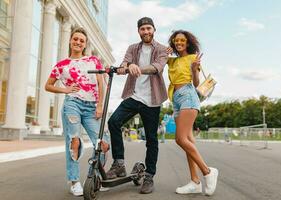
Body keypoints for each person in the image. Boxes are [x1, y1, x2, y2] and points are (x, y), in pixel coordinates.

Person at [106, 17, 168, 194]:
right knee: (113, 122)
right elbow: (125, 63)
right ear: (138, 31)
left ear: (154, 29)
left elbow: (157, 67)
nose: (146, 32)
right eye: (142, 29)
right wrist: (125, 66)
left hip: (152, 100)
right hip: (134, 96)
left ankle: (149, 176)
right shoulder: (133, 48)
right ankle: (119, 163)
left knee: (151, 139)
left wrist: (137, 68)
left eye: (149, 28)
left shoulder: (162, 49)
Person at [45, 27, 109, 196]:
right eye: (75, 39)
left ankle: (93, 176)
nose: (78, 42)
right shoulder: (62, 65)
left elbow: (101, 83)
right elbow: (48, 85)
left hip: (92, 106)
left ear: (85, 44)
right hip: (72, 104)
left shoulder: (93, 60)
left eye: (81, 40)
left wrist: (100, 105)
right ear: (70, 40)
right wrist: (65, 90)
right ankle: (74, 181)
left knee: (103, 143)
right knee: (74, 142)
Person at [167, 30, 218, 195]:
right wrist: (164, 52)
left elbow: (196, 83)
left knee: (180, 139)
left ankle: (208, 171)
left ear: (187, 42)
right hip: (176, 100)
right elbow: (157, 55)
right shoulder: (172, 61)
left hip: (188, 95)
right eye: (176, 40)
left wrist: (195, 69)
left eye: (182, 40)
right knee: (188, 140)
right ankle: (195, 181)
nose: (179, 43)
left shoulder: (192, 58)